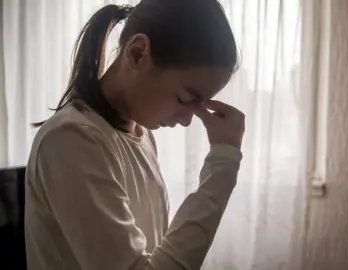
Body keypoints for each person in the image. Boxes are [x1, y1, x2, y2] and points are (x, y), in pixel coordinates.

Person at [24, 1, 245, 269]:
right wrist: (223, 164)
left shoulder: (140, 135)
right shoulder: (70, 140)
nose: (188, 120)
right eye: (186, 98)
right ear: (138, 53)